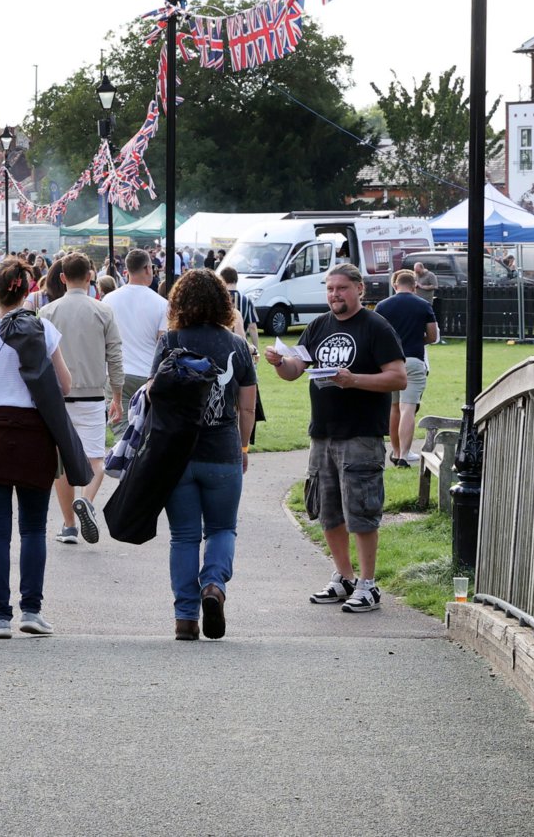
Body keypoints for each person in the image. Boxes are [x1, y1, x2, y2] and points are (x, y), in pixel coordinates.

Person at [265, 264, 407, 614]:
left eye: (342, 288)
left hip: (360, 435)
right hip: (323, 433)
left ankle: (368, 584)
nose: (334, 295)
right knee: (327, 511)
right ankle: (343, 577)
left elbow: (398, 378)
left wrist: (354, 380)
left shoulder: (376, 327)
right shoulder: (317, 326)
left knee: (361, 512)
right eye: (330, 289)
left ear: (359, 289)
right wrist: (280, 363)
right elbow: (296, 371)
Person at [0, 258, 71, 637]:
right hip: (32, 433)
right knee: (34, 528)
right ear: (28, 290)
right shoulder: (42, 328)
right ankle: (31, 609)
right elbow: (65, 385)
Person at [152, 268, 257, 641]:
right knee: (222, 528)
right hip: (222, 452)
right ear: (223, 302)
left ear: (178, 302)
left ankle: (185, 618)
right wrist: (243, 446)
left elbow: (153, 393)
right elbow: (247, 407)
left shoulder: (172, 340)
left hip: (178, 455)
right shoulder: (237, 345)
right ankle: (213, 585)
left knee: (183, 536)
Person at [40, 253, 121, 545]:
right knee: (96, 460)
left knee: (61, 464)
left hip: (59, 397)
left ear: (62, 278)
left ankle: (69, 525)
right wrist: (118, 396)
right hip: (93, 395)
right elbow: (114, 355)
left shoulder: (47, 312)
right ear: (90, 276)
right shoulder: (103, 311)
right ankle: (86, 499)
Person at [374, 270, 440, 466]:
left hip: (389, 362)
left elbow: (375, 334)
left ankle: (395, 451)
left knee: (394, 408)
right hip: (414, 359)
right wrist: (420, 340)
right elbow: (433, 335)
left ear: (395, 286)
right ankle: (404, 454)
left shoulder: (383, 306)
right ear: (415, 286)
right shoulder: (423, 305)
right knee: (408, 409)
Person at [105, 249, 169, 411]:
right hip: (147, 374)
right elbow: (163, 343)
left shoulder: (109, 299)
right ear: (147, 268)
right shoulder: (161, 304)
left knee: (122, 431)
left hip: (116, 373)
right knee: (147, 430)